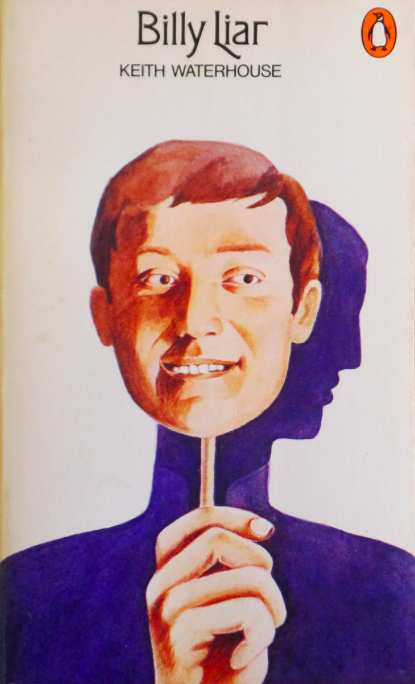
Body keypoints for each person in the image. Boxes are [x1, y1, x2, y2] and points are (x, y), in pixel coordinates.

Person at [1, 141, 414, 684]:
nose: (196, 320)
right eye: (156, 279)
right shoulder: (27, 595)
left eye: (244, 279)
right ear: (105, 316)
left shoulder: (389, 593)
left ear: (302, 310)